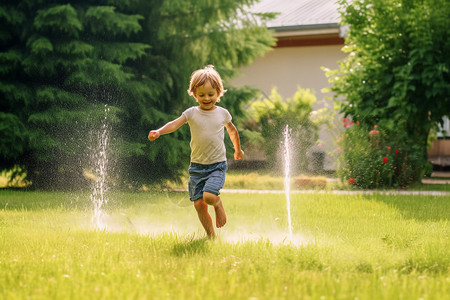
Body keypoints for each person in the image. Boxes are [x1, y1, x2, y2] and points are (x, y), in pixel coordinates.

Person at [148, 65, 244, 238]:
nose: (206, 98)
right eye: (201, 95)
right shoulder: (191, 113)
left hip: (216, 166)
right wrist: (159, 131)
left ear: (218, 93)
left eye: (211, 94)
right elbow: (174, 124)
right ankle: (211, 236)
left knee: (208, 197)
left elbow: (232, 131)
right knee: (199, 204)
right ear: (194, 94)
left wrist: (238, 150)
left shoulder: (222, 113)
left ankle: (218, 203)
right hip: (197, 167)